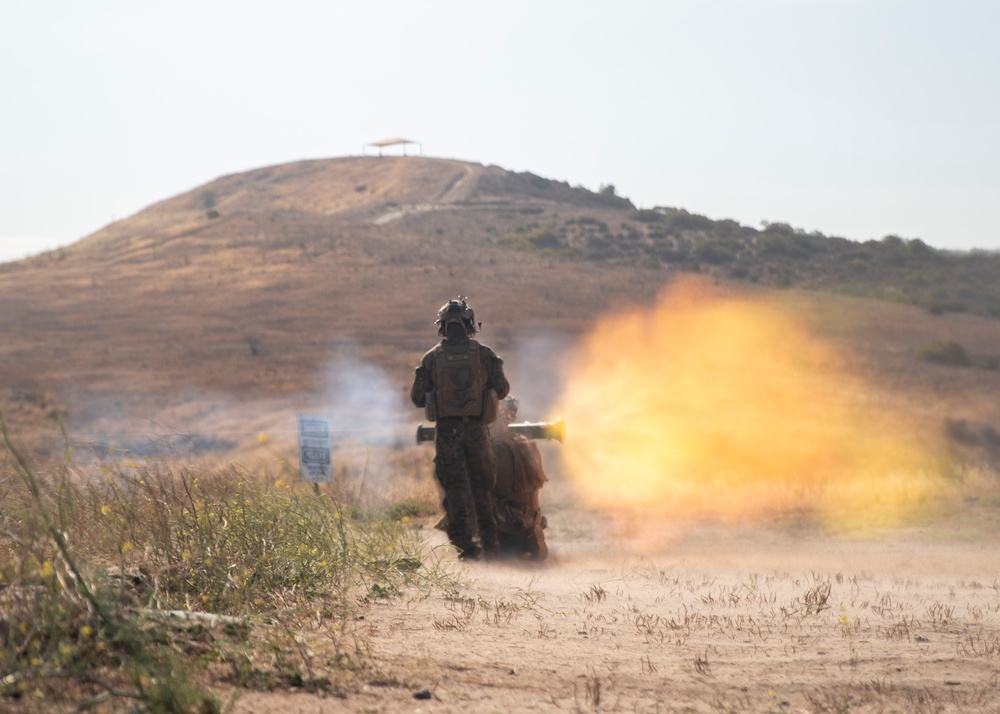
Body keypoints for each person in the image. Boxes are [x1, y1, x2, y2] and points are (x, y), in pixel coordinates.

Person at [410, 297, 510, 560]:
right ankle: (491, 546)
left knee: (454, 490)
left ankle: (467, 548)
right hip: (477, 432)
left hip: (447, 434)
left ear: (442, 327)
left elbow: (417, 397)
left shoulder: (431, 358)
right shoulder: (485, 354)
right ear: (468, 325)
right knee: (482, 488)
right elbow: (502, 389)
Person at [489, 397, 549, 561]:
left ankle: (493, 548)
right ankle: (527, 539)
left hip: (509, 524)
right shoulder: (525, 443)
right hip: (529, 518)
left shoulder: (495, 449)